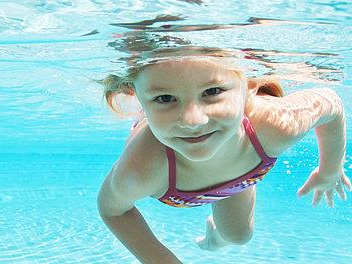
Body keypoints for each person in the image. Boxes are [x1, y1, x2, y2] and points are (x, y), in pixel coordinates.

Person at [96, 47, 351, 264]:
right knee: (239, 235)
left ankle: (214, 239)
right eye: (165, 98)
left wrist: (330, 169)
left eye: (212, 92)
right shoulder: (140, 169)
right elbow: (113, 211)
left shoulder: (273, 125)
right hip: (226, 170)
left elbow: (331, 103)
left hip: (242, 172)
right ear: (137, 96)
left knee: (238, 236)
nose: (193, 121)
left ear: (250, 86)